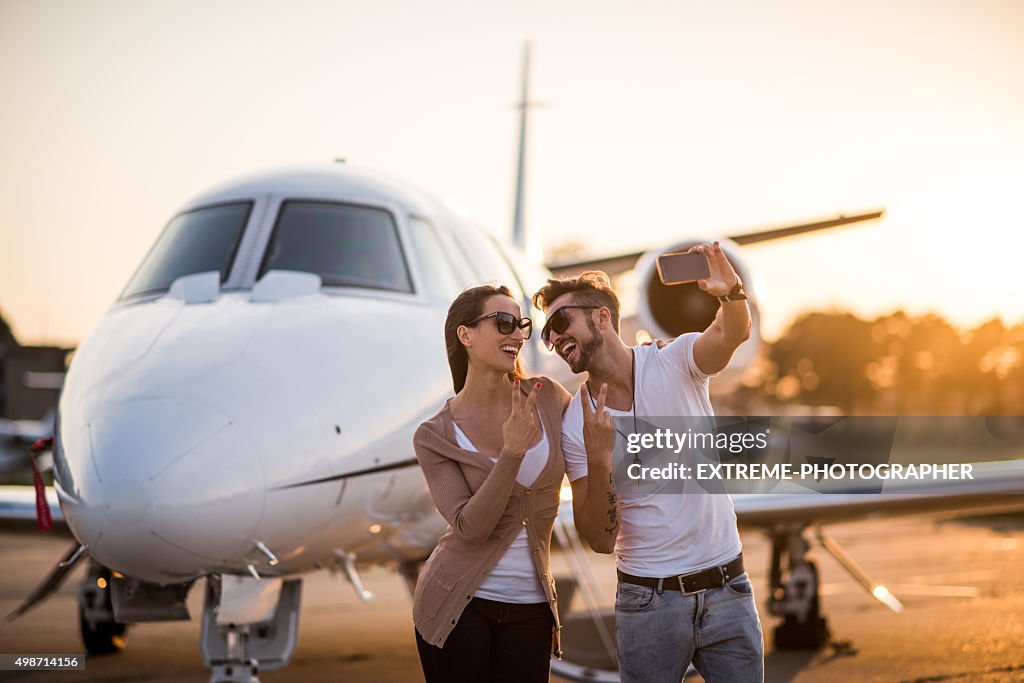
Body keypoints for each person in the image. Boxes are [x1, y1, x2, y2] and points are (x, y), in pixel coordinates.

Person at [532, 243, 764, 683]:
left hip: (729, 590)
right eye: (547, 333)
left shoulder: (676, 361)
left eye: (562, 322)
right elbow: (600, 540)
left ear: (602, 317)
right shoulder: (574, 423)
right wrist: (600, 459)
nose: (555, 338)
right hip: (649, 604)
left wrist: (730, 293)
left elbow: (730, 334)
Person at [412, 284, 579, 683]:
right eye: (504, 323)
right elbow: (472, 527)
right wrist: (512, 453)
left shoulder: (549, 399)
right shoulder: (434, 435)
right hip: (455, 604)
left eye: (521, 324)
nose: (518, 335)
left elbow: (597, 458)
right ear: (465, 335)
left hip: (533, 607)